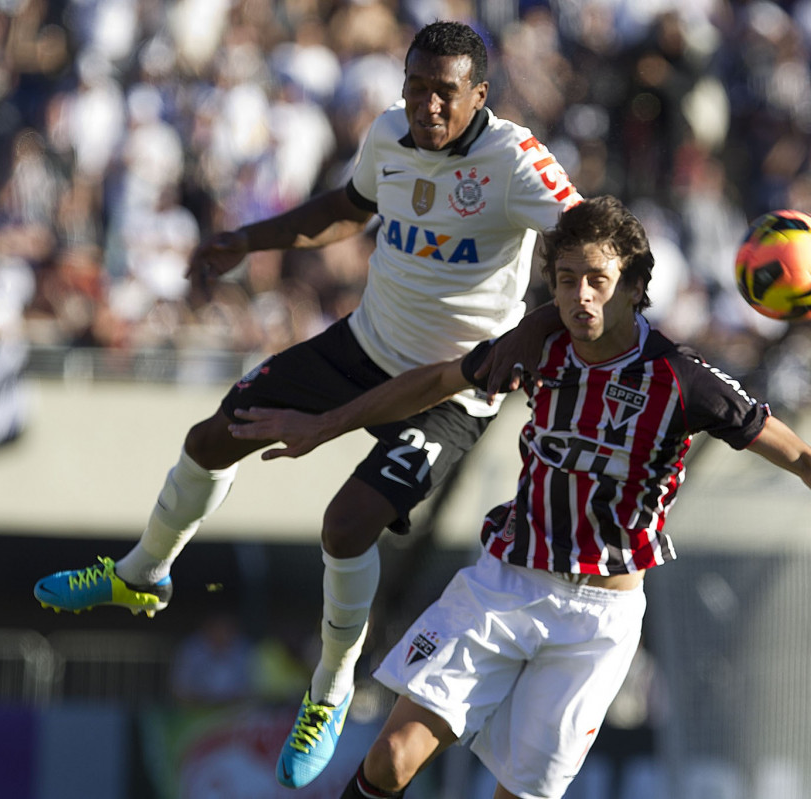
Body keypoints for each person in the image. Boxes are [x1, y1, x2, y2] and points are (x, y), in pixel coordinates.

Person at [228, 195, 811, 798]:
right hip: (503, 583)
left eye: (598, 280)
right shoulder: (535, 347)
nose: (580, 296)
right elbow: (432, 382)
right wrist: (324, 423)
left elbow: (804, 455)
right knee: (389, 758)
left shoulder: (684, 381)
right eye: (567, 278)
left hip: (599, 620)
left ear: (636, 284)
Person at [32, 21, 582, 789]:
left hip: (455, 388)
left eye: (444, 93)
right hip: (363, 347)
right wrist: (251, 239)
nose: (426, 105)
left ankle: (329, 688)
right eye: (415, 86)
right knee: (214, 434)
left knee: (345, 522)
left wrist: (534, 335)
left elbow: (594, 243)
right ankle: (143, 571)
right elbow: (350, 208)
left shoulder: (516, 162)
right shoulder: (389, 135)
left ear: (479, 96)